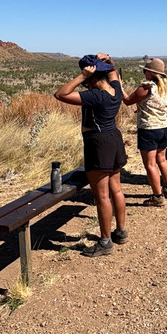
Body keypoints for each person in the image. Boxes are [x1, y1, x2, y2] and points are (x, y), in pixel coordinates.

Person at [54, 53, 128, 257]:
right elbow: (113, 73)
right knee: (117, 190)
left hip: (98, 143)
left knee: (102, 195)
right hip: (114, 138)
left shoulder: (96, 96)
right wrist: (109, 62)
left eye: (86, 81)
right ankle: (120, 232)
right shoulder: (116, 90)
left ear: (91, 78)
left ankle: (105, 242)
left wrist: (81, 77)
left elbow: (60, 94)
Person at [123, 57, 167, 206]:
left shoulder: (146, 87)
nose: (144, 72)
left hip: (149, 129)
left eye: (145, 70)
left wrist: (119, 88)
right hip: (163, 126)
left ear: (151, 73)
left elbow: (127, 101)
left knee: (150, 164)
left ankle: (157, 196)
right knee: (162, 159)